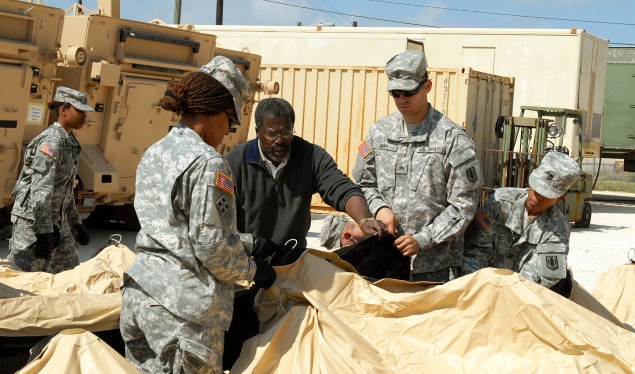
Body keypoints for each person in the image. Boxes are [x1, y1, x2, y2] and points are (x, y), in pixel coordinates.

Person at [118, 56, 277, 374]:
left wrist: (251, 242)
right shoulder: (208, 163)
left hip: (140, 299)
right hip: (183, 313)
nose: (230, 131)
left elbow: (175, 226)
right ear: (213, 111)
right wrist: (254, 270)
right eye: (231, 120)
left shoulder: (156, 152)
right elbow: (211, 246)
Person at [352, 50, 483, 282]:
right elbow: (363, 183)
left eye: (409, 91)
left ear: (428, 86)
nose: (402, 99)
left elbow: (464, 205)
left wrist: (423, 239)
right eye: (395, 93)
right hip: (384, 262)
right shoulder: (379, 132)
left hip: (433, 268)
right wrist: (379, 208)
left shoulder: (452, 139)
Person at [225, 97, 385, 255]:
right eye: (272, 134)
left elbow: (341, 188)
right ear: (257, 132)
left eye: (286, 133)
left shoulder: (312, 157)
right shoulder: (235, 163)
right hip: (247, 263)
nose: (279, 140)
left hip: (293, 261)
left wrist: (364, 220)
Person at [461, 150, 581, 291]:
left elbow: (547, 275)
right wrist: (477, 285)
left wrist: (510, 293)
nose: (537, 198)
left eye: (546, 195)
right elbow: (475, 249)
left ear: (561, 197)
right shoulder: (499, 203)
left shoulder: (558, 229)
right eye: (536, 190)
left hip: (520, 294)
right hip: (482, 283)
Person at [7, 86, 91, 273]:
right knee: (25, 278)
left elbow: (65, 188)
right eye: (80, 111)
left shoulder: (69, 142)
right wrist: (43, 232)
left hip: (57, 222)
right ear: (63, 111)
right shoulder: (52, 141)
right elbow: (40, 187)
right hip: (34, 223)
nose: (85, 116)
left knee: (69, 275)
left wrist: (76, 222)